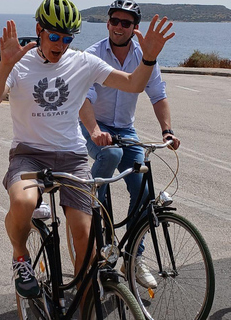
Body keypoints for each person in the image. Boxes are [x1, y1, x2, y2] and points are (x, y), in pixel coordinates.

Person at [0, 0, 174, 299]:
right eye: (54, 37)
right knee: (24, 202)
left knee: (86, 248)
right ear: (39, 31)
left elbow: (134, 85)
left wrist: (148, 59)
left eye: (67, 38)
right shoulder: (20, 63)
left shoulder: (84, 62)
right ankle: (21, 258)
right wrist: (5, 65)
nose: (60, 45)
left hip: (72, 157)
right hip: (28, 153)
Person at [79, 0, 181, 289]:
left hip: (125, 128)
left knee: (145, 190)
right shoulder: (93, 55)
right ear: (108, 23)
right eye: (115, 21)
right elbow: (83, 99)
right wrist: (95, 130)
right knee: (109, 156)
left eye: (126, 23)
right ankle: (101, 227)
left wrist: (167, 132)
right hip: (93, 126)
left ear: (135, 27)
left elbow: (158, 95)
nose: (119, 27)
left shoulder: (144, 56)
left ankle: (134, 256)